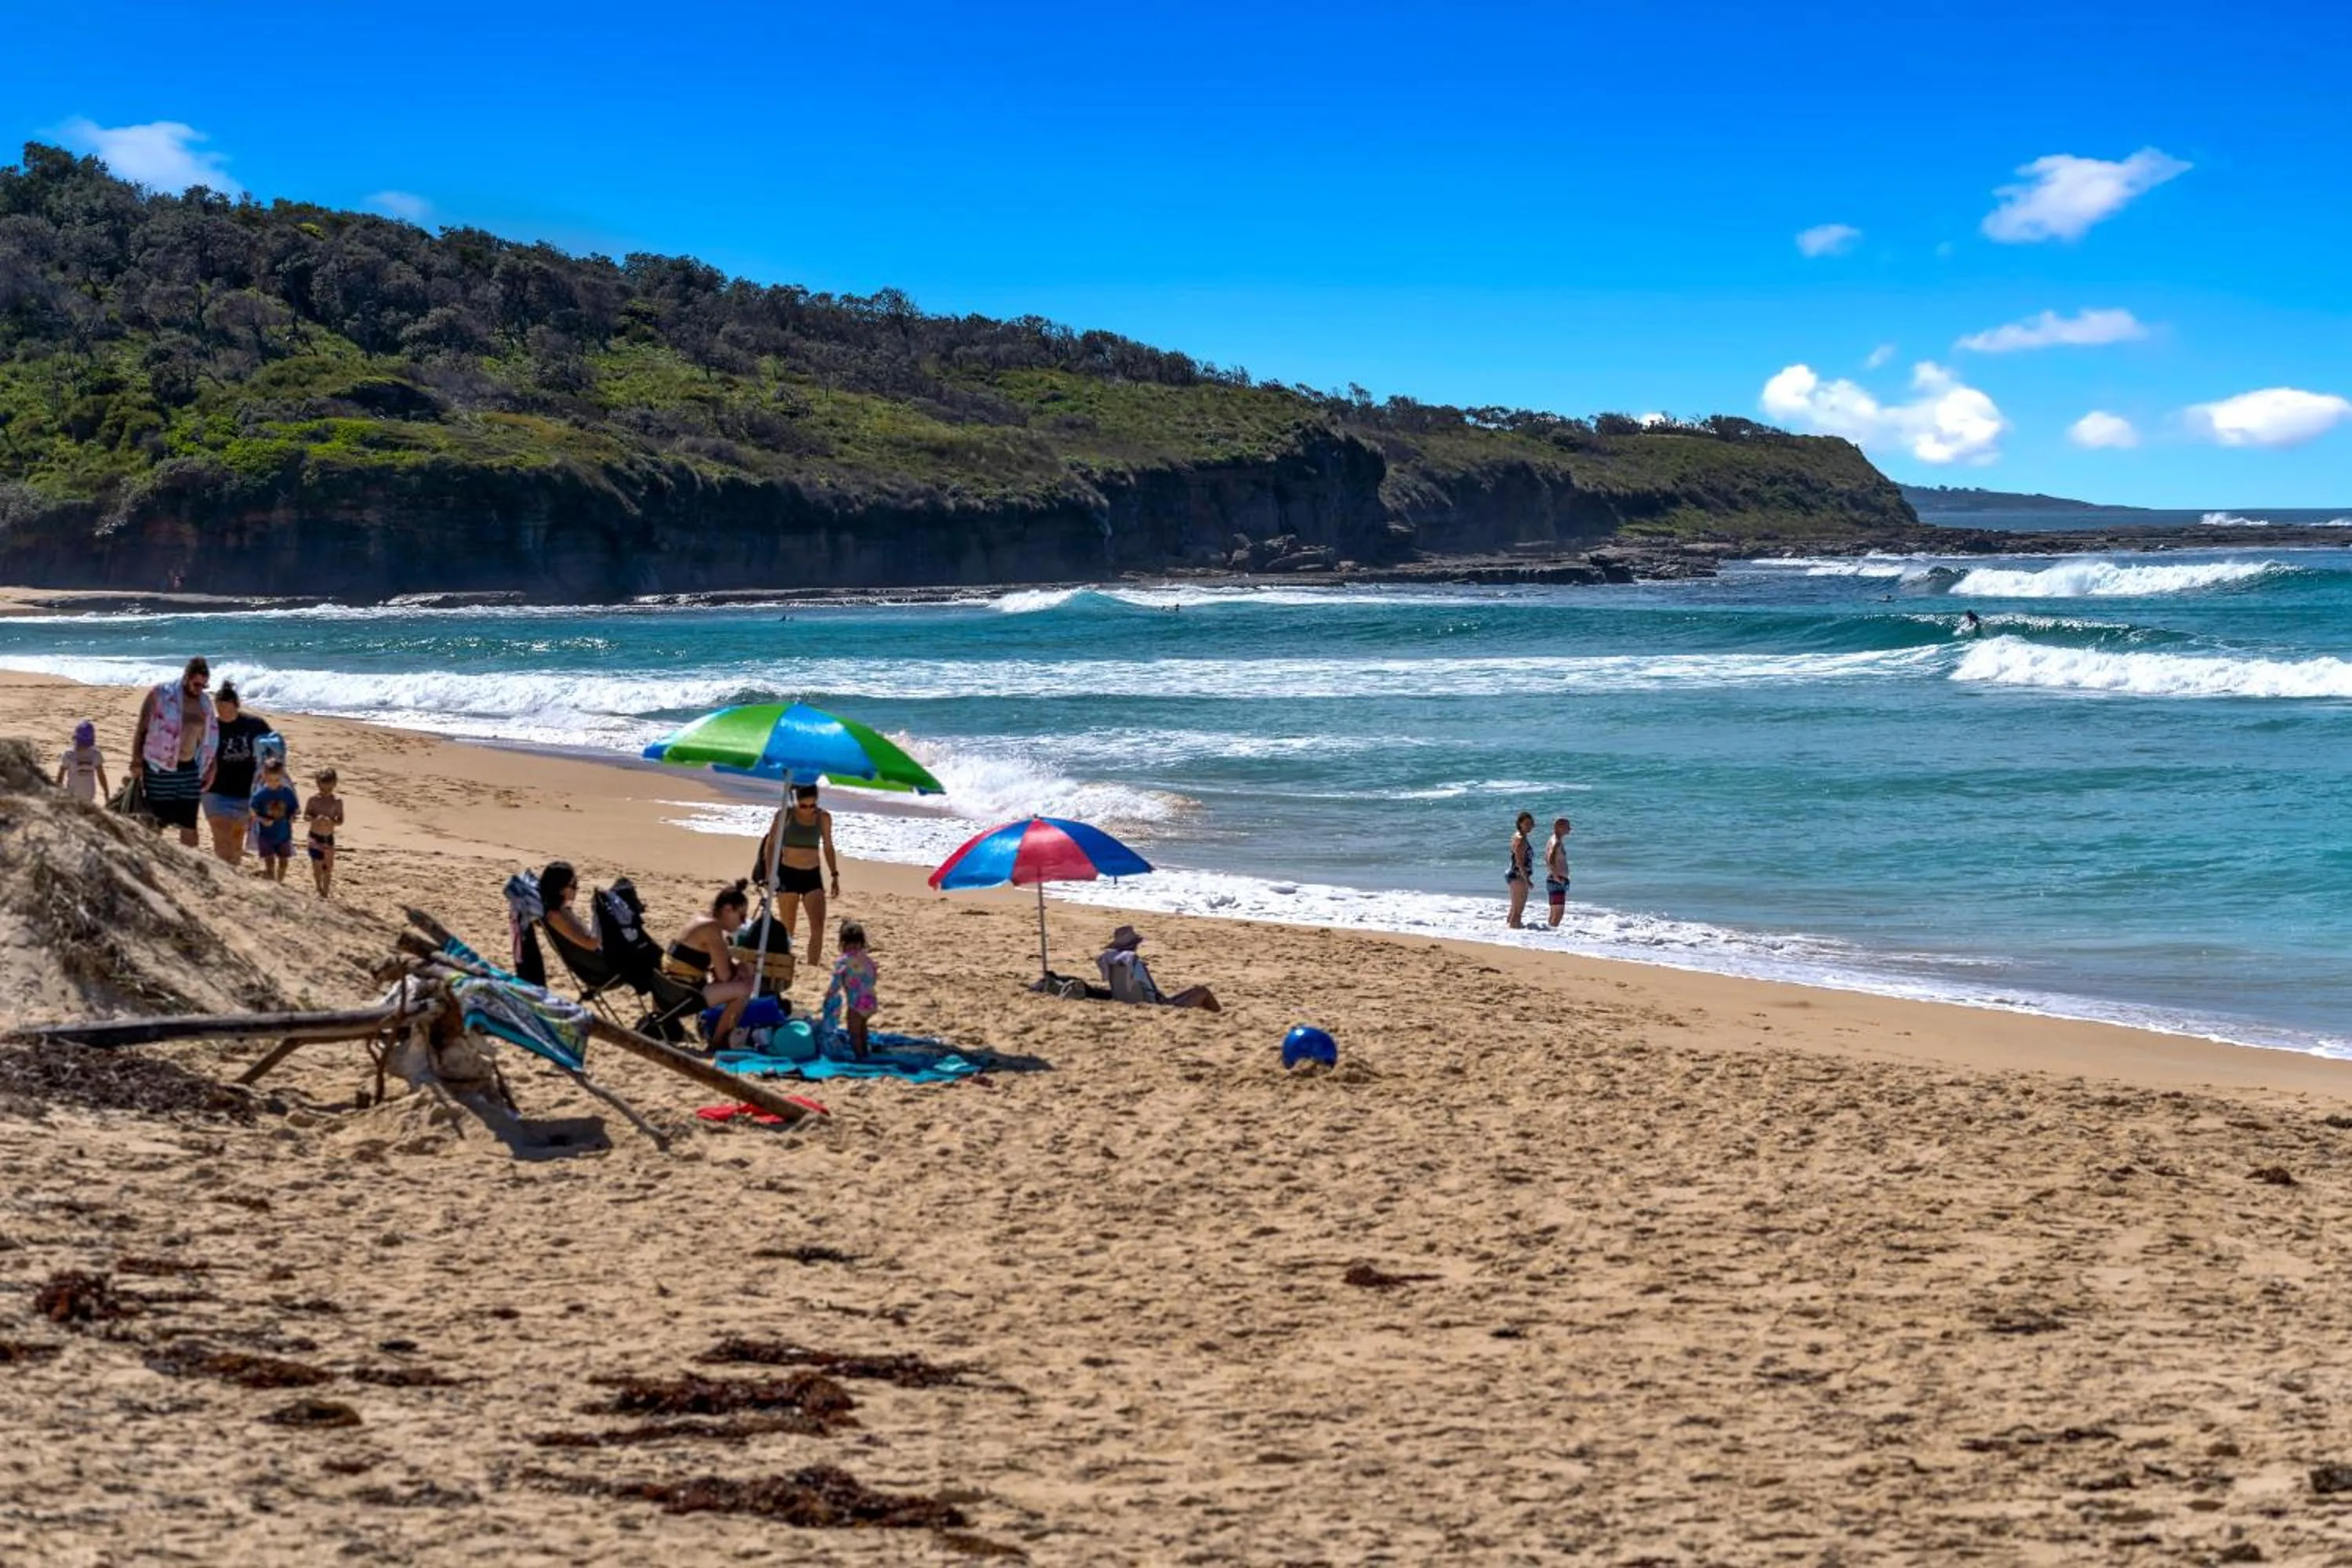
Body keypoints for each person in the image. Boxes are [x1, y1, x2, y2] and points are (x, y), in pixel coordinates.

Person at [129, 657, 217, 848]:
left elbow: (211, 738)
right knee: (155, 822)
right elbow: (142, 729)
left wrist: (212, 767)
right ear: (186, 677)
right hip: (159, 768)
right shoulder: (160, 695)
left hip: (189, 769)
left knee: (189, 824)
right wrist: (136, 762)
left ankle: (189, 868)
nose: (199, 689)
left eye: (204, 685)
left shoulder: (204, 704)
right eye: (196, 684)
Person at [755, 783, 840, 969]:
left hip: (812, 875)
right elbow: (770, 845)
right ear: (796, 801)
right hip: (788, 874)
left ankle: (812, 968)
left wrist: (834, 874)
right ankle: (785, 966)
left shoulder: (823, 817)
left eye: (812, 806)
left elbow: (827, 846)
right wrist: (770, 875)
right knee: (788, 929)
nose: (808, 810)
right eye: (804, 806)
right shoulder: (785, 815)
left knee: (817, 926)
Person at [666, 880, 757, 1042]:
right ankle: (719, 1041)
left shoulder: (702, 920)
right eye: (741, 916)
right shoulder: (712, 930)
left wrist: (735, 967)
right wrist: (741, 970)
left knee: (740, 981)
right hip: (681, 995)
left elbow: (717, 966)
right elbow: (725, 976)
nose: (743, 923)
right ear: (728, 910)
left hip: (668, 988)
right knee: (745, 989)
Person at [202, 681, 271, 865]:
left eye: (226, 707)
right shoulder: (210, 728)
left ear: (236, 705)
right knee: (221, 835)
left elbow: (273, 752)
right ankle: (223, 877)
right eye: (219, 707)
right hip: (215, 790)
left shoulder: (255, 725)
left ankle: (232, 874)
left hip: (245, 793)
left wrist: (271, 782)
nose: (223, 712)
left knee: (235, 841)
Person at [1097, 924, 1221, 1011]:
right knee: (1202, 991)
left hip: (1129, 1001)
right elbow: (1150, 989)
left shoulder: (1112, 962)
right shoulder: (1134, 963)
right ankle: (1219, 1016)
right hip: (1156, 1005)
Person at [824, 920, 879, 1057]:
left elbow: (836, 982)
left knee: (854, 1032)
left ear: (843, 943)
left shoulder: (843, 961)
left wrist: (829, 995)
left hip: (855, 1002)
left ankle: (860, 1057)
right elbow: (873, 977)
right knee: (862, 1028)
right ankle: (865, 1052)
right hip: (870, 999)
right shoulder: (866, 959)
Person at [248, 741, 300, 884]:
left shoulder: (286, 792)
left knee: (284, 862)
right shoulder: (261, 794)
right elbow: (252, 810)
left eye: (276, 780)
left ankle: (279, 883)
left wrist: (292, 817)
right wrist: (261, 819)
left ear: (282, 776)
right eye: (270, 780)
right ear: (264, 776)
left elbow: (294, 809)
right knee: (270, 862)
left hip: (284, 834)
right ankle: (272, 883)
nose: (273, 783)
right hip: (266, 835)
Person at [538, 861, 600, 953]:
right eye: (574, 885)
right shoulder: (555, 917)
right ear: (561, 890)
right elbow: (591, 945)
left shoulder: (562, 909)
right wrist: (599, 915)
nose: (577, 888)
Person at [305, 768, 345, 897]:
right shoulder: (313, 800)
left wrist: (332, 822)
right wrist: (315, 818)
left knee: (327, 866)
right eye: (322, 788)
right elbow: (306, 816)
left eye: (329, 789)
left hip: (328, 837)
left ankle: (326, 891)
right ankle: (318, 887)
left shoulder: (337, 802)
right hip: (314, 836)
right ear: (318, 785)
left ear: (334, 785)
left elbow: (341, 820)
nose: (325, 791)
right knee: (316, 865)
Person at [56, 720, 108, 805]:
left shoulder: (95, 754)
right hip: (72, 797)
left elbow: (101, 775)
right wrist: (57, 791)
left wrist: (106, 792)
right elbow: (60, 775)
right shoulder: (69, 754)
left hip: (89, 797)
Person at [1505, 811, 1535, 929]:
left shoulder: (1517, 836)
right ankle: (1514, 935)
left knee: (1514, 908)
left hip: (1514, 874)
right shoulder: (1521, 839)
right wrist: (1527, 880)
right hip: (1518, 876)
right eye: (1527, 824)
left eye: (1531, 824)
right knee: (1518, 910)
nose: (1530, 826)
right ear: (1520, 824)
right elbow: (1519, 862)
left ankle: (1507, 934)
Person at [1544, 816, 1573, 929]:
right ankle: (1549, 937)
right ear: (1559, 827)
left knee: (1554, 913)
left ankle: (1548, 934)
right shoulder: (1556, 842)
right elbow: (1550, 858)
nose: (1570, 829)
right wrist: (1557, 876)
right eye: (1567, 827)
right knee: (1558, 914)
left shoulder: (1553, 840)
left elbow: (1547, 858)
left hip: (1554, 880)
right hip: (1557, 880)